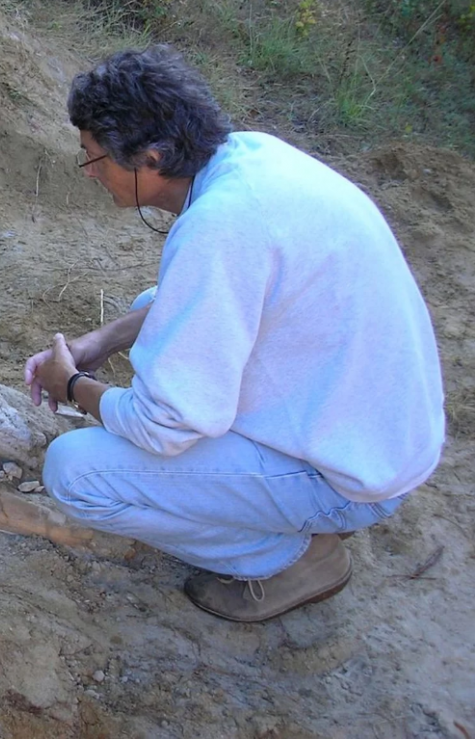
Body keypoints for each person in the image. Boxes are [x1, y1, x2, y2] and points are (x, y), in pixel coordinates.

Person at [25, 46, 446, 622]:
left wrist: (73, 385)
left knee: (75, 471)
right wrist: (103, 341)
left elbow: (164, 427)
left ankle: (291, 556)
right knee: (155, 307)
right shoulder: (251, 158)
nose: (92, 173)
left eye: (94, 159)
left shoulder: (221, 229)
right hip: (381, 430)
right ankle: (282, 512)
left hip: (350, 478)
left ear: (150, 158)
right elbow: (193, 308)